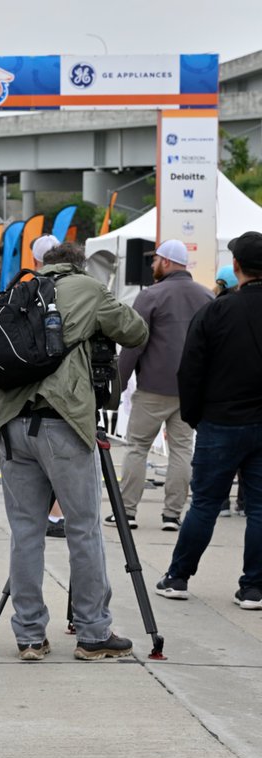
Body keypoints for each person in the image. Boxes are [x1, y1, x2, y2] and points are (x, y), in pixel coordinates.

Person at [0, 241, 147, 661]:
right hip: (62, 421)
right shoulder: (89, 288)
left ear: (46, 264)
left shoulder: (19, 290)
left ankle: (28, 636)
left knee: (26, 531)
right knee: (83, 527)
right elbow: (135, 331)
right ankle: (93, 633)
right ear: (79, 265)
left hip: (10, 423)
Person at [155, 232, 262, 609]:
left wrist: (194, 416)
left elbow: (191, 369)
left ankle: (178, 576)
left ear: (235, 268)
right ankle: (254, 587)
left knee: (204, 503)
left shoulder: (217, 310)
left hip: (220, 422)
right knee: (260, 509)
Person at [106, 239, 213, 532]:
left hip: (154, 387)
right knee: (181, 450)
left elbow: (133, 343)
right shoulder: (207, 296)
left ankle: (126, 511)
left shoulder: (150, 296)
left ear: (166, 262)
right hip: (191, 390)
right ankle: (172, 515)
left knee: (137, 447)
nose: (152, 265)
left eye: (154, 260)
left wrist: (118, 382)